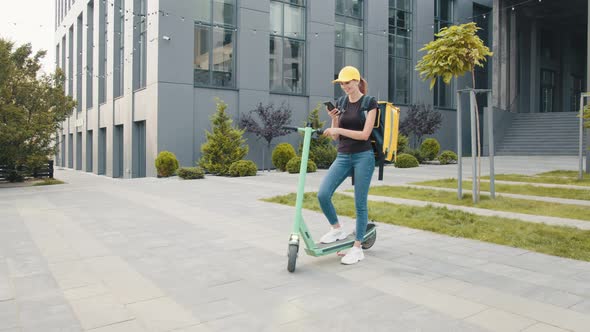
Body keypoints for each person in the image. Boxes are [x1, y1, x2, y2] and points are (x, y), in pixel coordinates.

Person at [318, 66, 377, 265]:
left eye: (347, 83)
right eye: (341, 83)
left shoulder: (370, 103)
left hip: (363, 156)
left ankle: (358, 247)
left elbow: (364, 135)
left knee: (360, 203)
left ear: (357, 81)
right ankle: (337, 229)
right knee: (323, 194)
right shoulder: (342, 102)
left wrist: (340, 127)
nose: (344, 87)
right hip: (343, 155)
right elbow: (336, 135)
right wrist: (334, 119)